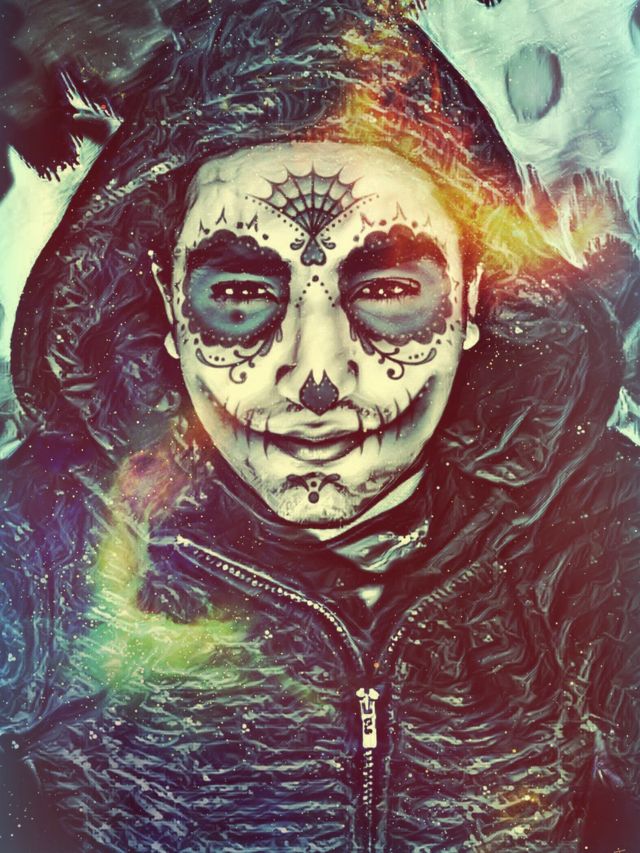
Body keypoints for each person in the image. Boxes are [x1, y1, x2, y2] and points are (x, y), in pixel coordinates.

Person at [1, 0, 638, 850]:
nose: (316, 377)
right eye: (240, 295)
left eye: (387, 290)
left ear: (472, 297)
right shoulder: (53, 537)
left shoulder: (583, 525)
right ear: (166, 299)